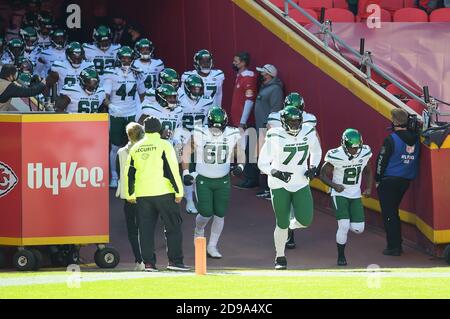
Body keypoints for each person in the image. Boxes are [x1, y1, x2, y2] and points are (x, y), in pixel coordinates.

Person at [258, 106, 322, 270]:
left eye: (297, 121)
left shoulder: (307, 131)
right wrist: (276, 173)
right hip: (280, 185)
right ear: (284, 122)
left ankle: (289, 227)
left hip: (301, 182)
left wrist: (313, 166)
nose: (294, 124)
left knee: (305, 220)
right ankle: (280, 257)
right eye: (291, 121)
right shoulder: (275, 135)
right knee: (281, 222)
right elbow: (262, 162)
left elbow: (316, 150)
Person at [124, 116, 189, 272]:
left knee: (145, 230)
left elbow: (129, 173)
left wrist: (129, 194)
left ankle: (149, 264)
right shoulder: (164, 145)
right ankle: (175, 262)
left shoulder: (135, 147)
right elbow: (172, 168)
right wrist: (179, 191)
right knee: (173, 227)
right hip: (164, 192)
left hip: (143, 194)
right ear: (160, 129)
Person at [182, 107, 245, 259]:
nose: (216, 130)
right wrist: (185, 172)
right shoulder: (199, 133)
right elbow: (185, 151)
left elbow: (240, 152)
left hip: (223, 179)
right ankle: (199, 231)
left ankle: (212, 245)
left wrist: (241, 165)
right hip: (203, 178)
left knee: (220, 213)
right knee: (205, 212)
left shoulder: (232, 133)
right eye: (213, 127)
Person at [266, 92, 319, 249]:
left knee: (297, 205)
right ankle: (288, 233)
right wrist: (268, 166)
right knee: (285, 205)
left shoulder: (308, 122)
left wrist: (313, 165)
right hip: (281, 163)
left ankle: (290, 230)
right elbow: (266, 140)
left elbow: (315, 142)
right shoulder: (275, 120)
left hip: (299, 165)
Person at [320, 129, 373, 266]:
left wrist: (368, 187)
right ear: (344, 145)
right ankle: (341, 256)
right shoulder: (336, 155)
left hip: (355, 194)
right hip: (339, 194)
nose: (355, 151)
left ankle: (347, 222)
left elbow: (367, 170)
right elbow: (322, 174)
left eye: (357, 148)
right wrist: (334, 185)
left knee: (358, 229)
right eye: (352, 148)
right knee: (343, 226)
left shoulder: (365, 152)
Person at [376, 108, 420, 256]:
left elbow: (381, 161)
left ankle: (394, 247)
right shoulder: (416, 137)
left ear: (394, 121)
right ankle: (396, 244)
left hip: (388, 181)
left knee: (389, 214)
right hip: (405, 180)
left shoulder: (391, 139)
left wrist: (377, 179)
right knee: (393, 212)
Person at [103, 45, 146, 188]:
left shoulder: (137, 73)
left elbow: (142, 94)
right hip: (116, 114)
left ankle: (134, 175)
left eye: (129, 58)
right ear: (119, 59)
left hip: (132, 113)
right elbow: (105, 96)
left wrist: (142, 110)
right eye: (124, 58)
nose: (126, 61)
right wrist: (111, 106)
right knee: (115, 147)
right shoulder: (111, 73)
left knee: (135, 145)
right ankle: (114, 176)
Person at [235, 64, 283, 190]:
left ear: (268, 75)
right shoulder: (265, 87)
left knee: (264, 156)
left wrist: (268, 127)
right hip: (257, 127)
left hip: (265, 129)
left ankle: (265, 186)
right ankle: (251, 179)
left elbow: (275, 110)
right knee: (251, 152)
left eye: (263, 73)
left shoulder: (275, 89)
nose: (261, 75)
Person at [179, 74, 214, 214]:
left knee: (199, 166)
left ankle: (197, 196)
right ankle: (189, 199)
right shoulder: (179, 98)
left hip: (200, 135)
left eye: (199, 89)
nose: (197, 91)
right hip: (183, 134)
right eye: (194, 88)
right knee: (186, 166)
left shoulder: (208, 100)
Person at [116, 121, 145, 271]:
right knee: (145, 228)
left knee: (133, 231)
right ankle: (147, 259)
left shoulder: (120, 152)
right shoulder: (144, 151)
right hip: (144, 193)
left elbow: (118, 171)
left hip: (128, 195)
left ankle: (139, 260)